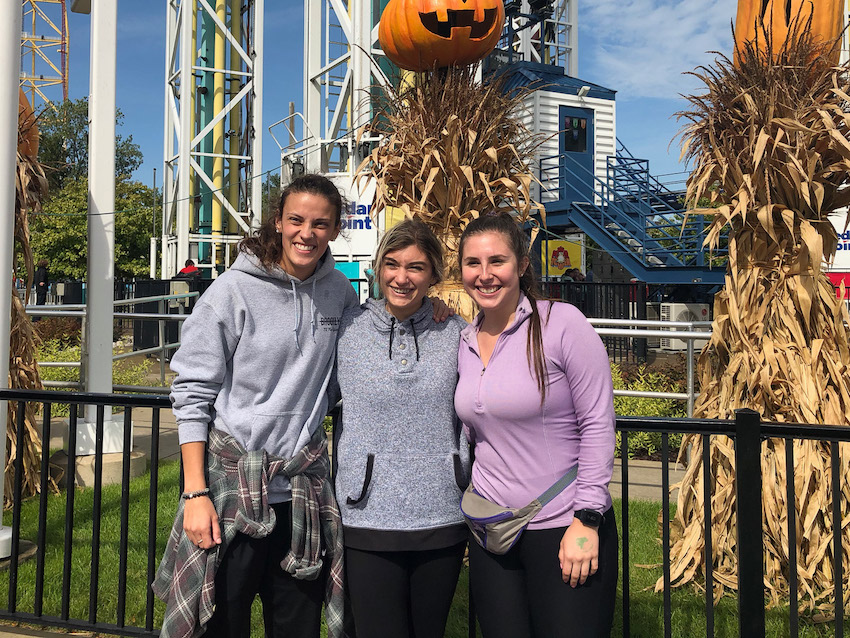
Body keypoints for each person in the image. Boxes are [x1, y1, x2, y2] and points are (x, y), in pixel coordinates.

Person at [153, 174, 357, 638]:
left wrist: (435, 311)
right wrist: (194, 494)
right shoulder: (233, 290)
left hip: (299, 497)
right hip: (231, 492)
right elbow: (192, 393)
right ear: (279, 222)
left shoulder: (339, 293)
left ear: (335, 229)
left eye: (321, 224)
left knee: (296, 627)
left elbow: (372, 338)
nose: (307, 233)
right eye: (296, 220)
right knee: (223, 623)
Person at [455, 213, 618, 638]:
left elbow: (598, 424)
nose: (485, 275)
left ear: (523, 264)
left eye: (497, 261)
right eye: (473, 263)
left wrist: (587, 518)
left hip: (563, 525)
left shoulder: (562, 325)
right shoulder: (464, 339)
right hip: (493, 528)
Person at [334, 219, 468, 638]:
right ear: (377, 269)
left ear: (434, 275)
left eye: (416, 267)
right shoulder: (347, 330)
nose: (401, 277)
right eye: (391, 264)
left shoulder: (459, 333)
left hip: (442, 515)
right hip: (366, 515)